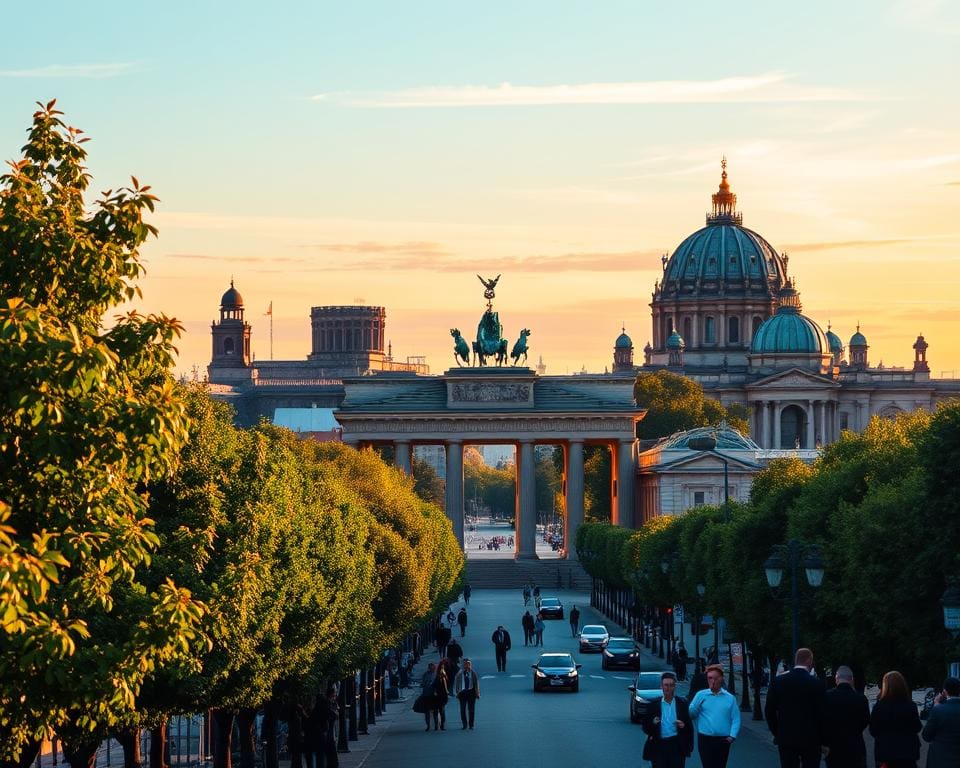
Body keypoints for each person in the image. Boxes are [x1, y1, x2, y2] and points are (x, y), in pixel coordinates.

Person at [764, 647, 825, 768]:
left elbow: (769, 711)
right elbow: (823, 714)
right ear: (809, 661)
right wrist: (823, 739)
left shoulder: (778, 681)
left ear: (796, 660)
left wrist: (777, 732)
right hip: (811, 738)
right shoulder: (817, 684)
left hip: (786, 737)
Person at [688, 664, 740, 768]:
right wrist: (696, 706)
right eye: (710, 678)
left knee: (720, 765)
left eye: (715, 678)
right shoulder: (701, 695)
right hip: (705, 739)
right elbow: (691, 714)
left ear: (721, 679)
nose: (712, 681)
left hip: (723, 739)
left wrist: (732, 736)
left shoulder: (730, 698)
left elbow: (736, 718)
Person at [870, 670, 922, 768]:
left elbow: (873, 730)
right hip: (907, 753)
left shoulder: (879, 707)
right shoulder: (910, 706)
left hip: (886, 754)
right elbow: (917, 727)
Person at [820, 664, 869, 768]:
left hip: (834, 748)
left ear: (836, 679)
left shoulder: (826, 697)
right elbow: (865, 721)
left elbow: (822, 721)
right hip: (855, 746)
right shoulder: (861, 699)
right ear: (852, 679)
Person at [642, 671, 694, 768]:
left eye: (671, 685)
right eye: (666, 685)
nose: (668, 688)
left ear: (675, 686)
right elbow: (645, 728)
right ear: (661, 686)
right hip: (659, 746)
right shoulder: (653, 704)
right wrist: (653, 723)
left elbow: (690, 728)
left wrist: (683, 726)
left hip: (676, 746)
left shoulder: (682, 703)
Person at [922, 676, 960, 768]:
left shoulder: (938, 710)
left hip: (940, 760)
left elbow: (926, 736)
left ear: (945, 691)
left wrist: (936, 705)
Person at [453, 658, 481, 729]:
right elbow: (456, 683)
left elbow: (476, 683)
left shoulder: (473, 673)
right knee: (462, 710)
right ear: (463, 665)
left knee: (471, 710)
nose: (467, 665)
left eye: (468, 664)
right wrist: (456, 693)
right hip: (462, 693)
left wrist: (477, 693)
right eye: (465, 664)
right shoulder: (460, 673)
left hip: (471, 692)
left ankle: (471, 725)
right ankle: (464, 724)